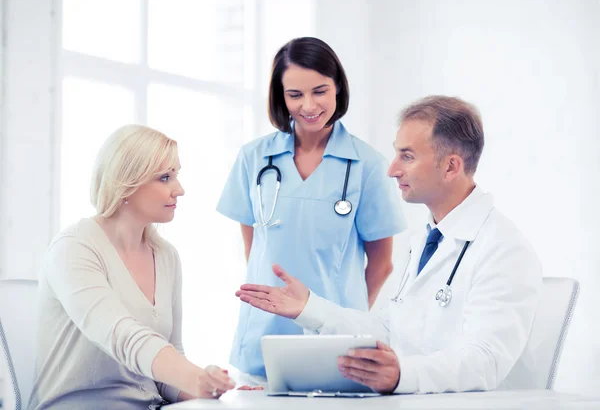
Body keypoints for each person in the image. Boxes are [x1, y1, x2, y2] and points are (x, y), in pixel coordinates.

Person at [235, 95, 543, 394]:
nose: (392, 169)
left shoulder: (504, 249)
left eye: (407, 156)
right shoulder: (423, 239)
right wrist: (310, 308)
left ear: (451, 167)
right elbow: (390, 329)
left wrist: (402, 375)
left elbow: (486, 360)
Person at [217, 37, 406, 377]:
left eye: (320, 91)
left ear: (338, 89)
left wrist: (347, 316)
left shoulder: (367, 165)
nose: (308, 105)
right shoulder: (253, 158)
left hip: (334, 339)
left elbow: (382, 263)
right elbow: (257, 249)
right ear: (280, 96)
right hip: (264, 333)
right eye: (295, 95)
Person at [29, 125, 236, 410]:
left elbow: (166, 368)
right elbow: (122, 336)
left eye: (176, 175)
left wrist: (207, 389)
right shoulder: (74, 248)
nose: (180, 189)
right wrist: (194, 377)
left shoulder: (166, 256)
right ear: (125, 184)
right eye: (165, 177)